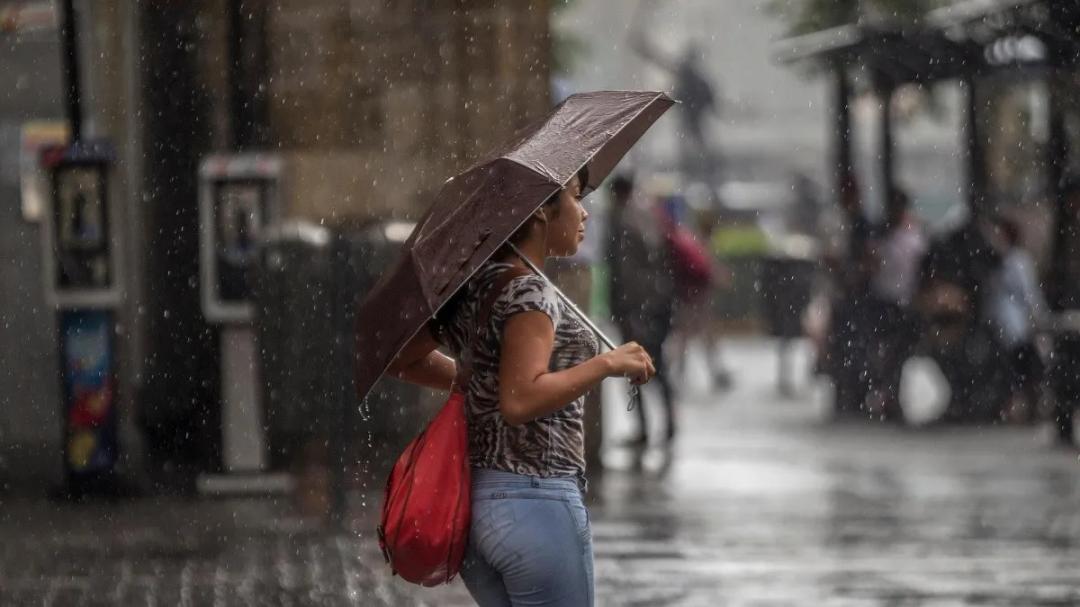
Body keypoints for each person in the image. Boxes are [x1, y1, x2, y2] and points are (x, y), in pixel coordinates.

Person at [386, 168, 656, 606]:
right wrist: (606, 363)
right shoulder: (532, 292)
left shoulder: (479, 286)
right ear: (538, 215)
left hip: (477, 507)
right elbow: (520, 400)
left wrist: (474, 378)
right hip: (537, 500)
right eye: (572, 197)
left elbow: (404, 357)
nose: (584, 212)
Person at [605, 174, 678, 447]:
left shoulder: (625, 222)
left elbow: (627, 273)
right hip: (654, 304)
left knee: (641, 366)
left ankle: (649, 428)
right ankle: (665, 426)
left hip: (638, 308)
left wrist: (630, 311)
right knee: (653, 367)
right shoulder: (647, 217)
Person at [864, 188, 927, 422]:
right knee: (888, 353)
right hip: (887, 301)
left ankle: (889, 396)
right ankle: (886, 396)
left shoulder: (910, 237)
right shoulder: (891, 237)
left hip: (899, 302)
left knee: (895, 354)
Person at [986, 216, 1049, 423]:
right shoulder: (1000, 262)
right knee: (1012, 369)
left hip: (1018, 326)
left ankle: (1029, 408)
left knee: (1023, 368)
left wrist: (1039, 318)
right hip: (1004, 325)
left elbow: (1029, 293)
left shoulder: (1019, 261)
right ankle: (1015, 408)